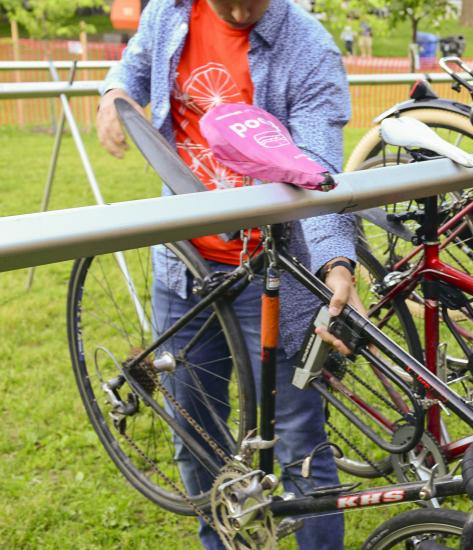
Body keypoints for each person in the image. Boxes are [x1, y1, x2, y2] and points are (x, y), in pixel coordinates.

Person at [95, 0, 361, 548]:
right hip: (182, 270)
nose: (240, 9)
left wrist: (336, 263)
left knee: (299, 447)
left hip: (272, 276)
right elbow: (134, 67)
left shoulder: (308, 49)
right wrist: (113, 92)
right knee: (197, 442)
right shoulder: (167, 16)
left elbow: (319, 170)